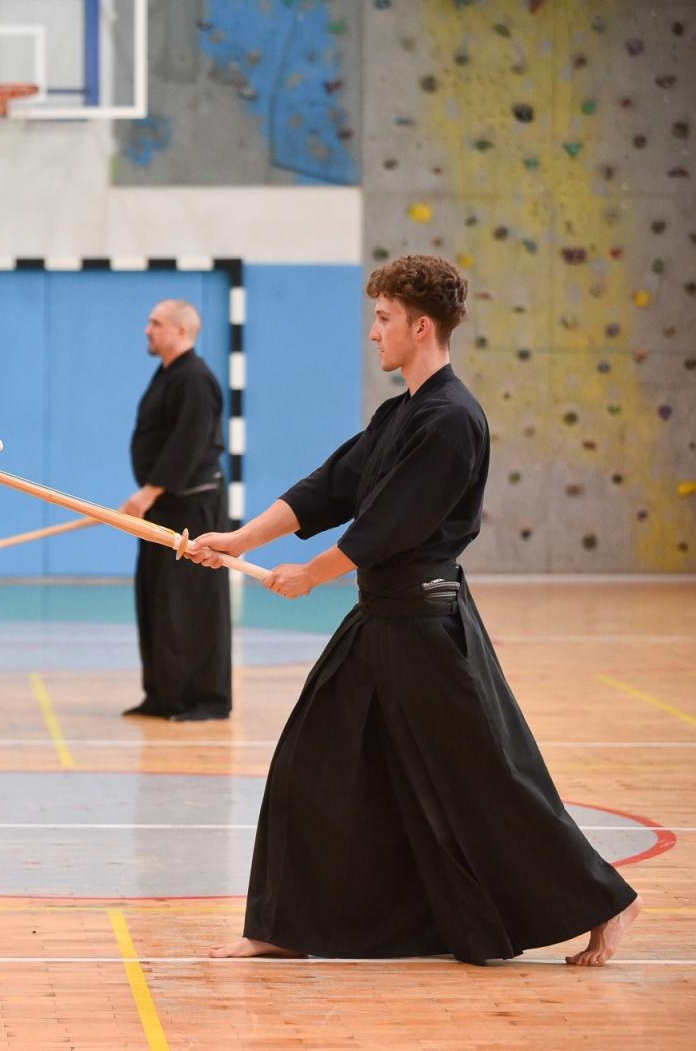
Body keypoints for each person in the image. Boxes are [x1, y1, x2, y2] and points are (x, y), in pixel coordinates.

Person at [188, 255, 639, 966]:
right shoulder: (402, 414)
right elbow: (329, 488)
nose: (374, 333)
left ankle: (608, 902)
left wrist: (311, 574)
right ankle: (283, 926)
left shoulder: (453, 421)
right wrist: (239, 539)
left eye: (384, 318)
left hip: (427, 628)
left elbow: (385, 530)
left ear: (419, 326)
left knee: (487, 781)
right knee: (312, 765)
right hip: (380, 622)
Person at [118, 299, 232, 720]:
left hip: (192, 509)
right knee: (157, 599)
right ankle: (164, 694)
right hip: (164, 506)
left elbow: (188, 442)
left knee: (192, 603)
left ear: (181, 331)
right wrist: (149, 497)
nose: (147, 329)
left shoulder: (196, 379)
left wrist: (148, 493)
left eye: (156, 323)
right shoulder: (168, 375)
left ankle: (205, 699)